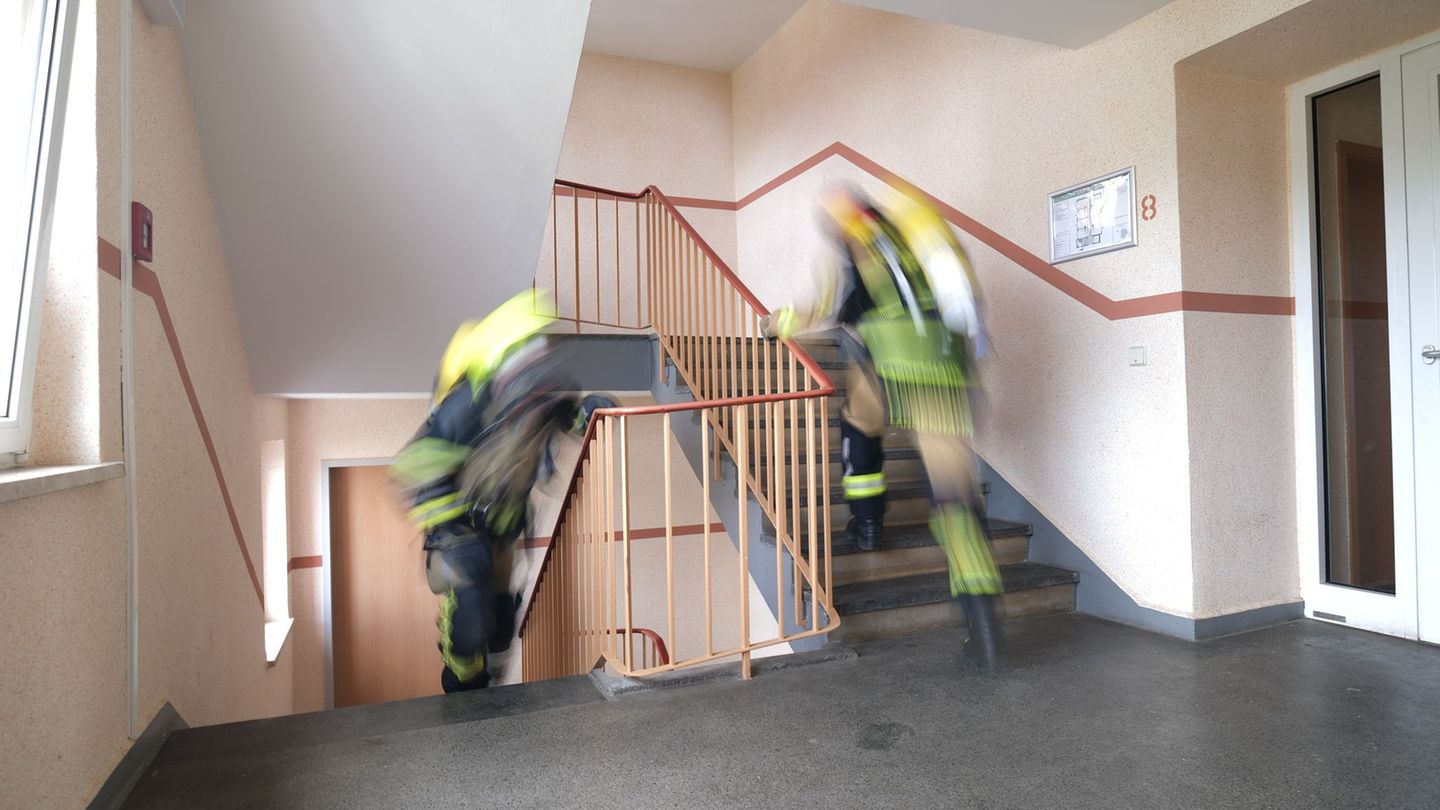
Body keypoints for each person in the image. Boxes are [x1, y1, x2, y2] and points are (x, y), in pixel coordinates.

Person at [763, 185, 1003, 669]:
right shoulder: (916, 235)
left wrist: (776, 323)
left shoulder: (853, 246)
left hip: (888, 355)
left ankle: (869, 521)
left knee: (856, 420)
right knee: (954, 493)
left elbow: (823, 309)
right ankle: (982, 618)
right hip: (944, 358)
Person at [390, 292, 612, 691]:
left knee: (503, 621)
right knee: (471, 613)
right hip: (461, 531)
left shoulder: (547, 392)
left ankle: (493, 687)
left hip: (506, 524)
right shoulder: (465, 407)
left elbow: (570, 418)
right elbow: (415, 468)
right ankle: (460, 685)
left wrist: (590, 412)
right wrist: (452, 534)